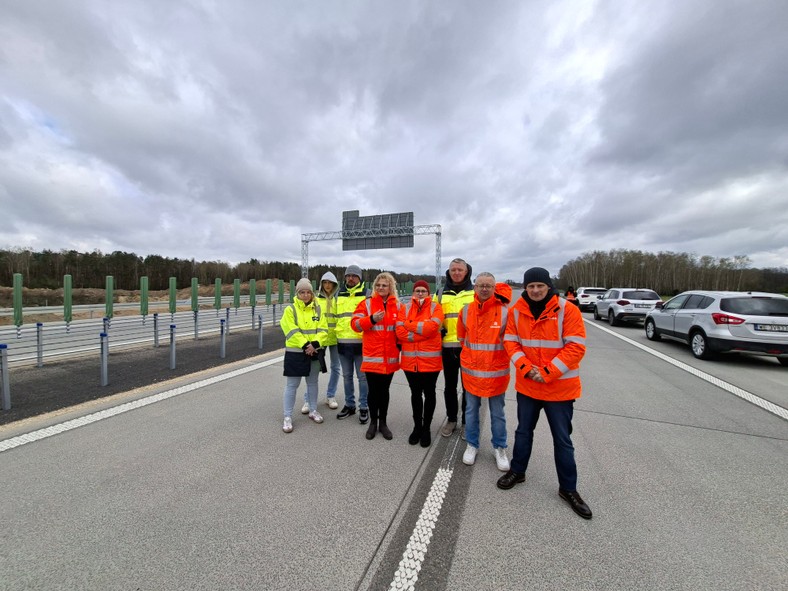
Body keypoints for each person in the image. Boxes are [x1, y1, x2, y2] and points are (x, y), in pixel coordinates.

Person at [498, 267, 592, 520]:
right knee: (523, 432)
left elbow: (576, 347)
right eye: (531, 287)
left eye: (540, 286)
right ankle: (518, 471)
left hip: (559, 389)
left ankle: (568, 489)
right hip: (529, 385)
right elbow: (510, 342)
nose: (535, 290)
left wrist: (549, 372)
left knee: (562, 440)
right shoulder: (518, 311)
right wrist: (527, 369)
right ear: (526, 288)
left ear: (548, 286)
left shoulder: (567, 309)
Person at [457, 274, 512, 471]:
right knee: (471, 411)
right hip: (471, 372)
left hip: (496, 372)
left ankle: (500, 447)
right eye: (481, 285)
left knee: (498, 413)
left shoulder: (505, 312)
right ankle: (472, 445)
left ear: (494, 288)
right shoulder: (465, 311)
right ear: (475, 287)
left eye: (489, 286)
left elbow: (510, 343)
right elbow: (462, 339)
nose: (484, 289)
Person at [351, 272, 402, 440]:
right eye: (378, 285)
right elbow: (355, 325)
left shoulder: (399, 306)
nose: (381, 288)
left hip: (390, 358)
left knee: (384, 391)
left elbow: (402, 329)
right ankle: (373, 423)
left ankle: (383, 423)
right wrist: (371, 319)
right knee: (373, 392)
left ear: (390, 287)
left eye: (384, 285)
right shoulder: (366, 304)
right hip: (373, 357)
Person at [396, 280, 444, 448]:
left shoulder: (436, 308)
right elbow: (400, 331)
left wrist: (410, 326)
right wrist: (420, 332)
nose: (420, 293)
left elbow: (432, 328)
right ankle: (417, 426)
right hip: (410, 361)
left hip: (430, 361)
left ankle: (426, 428)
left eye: (423, 290)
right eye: (417, 290)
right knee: (415, 394)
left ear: (428, 292)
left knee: (429, 393)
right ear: (414, 292)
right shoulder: (405, 308)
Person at [280, 278, 328, 433]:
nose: (305, 295)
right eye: (302, 292)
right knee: (292, 385)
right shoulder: (290, 310)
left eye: (308, 292)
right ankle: (287, 416)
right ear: (297, 293)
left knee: (312, 383)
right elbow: (290, 330)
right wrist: (305, 344)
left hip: (313, 352)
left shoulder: (318, 309)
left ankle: (313, 410)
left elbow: (323, 330)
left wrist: (315, 344)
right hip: (296, 353)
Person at [436, 258, 475, 438]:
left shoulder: (475, 293)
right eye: (453, 270)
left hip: (469, 347)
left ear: (466, 272)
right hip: (447, 347)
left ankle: (468, 422)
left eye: (460, 270)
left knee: (469, 387)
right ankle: (452, 419)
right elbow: (434, 317)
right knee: (450, 387)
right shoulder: (440, 293)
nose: (457, 273)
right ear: (449, 272)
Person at [334, 264, 370, 425]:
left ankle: (364, 407)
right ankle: (350, 405)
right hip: (342, 343)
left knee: (362, 378)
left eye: (354, 276)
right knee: (347, 377)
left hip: (362, 344)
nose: (350, 278)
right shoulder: (338, 294)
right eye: (348, 275)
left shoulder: (368, 294)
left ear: (360, 278)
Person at [301, 271, 340, 412]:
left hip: (335, 338)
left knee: (336, 367)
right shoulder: (316, 300)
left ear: (334, 284)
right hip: (320, 339)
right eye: (325, 282)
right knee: (313, 370)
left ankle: (331, 395)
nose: (327, 285)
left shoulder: (338, 299)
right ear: (321, 284)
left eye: (330, 282)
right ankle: (308, 399)